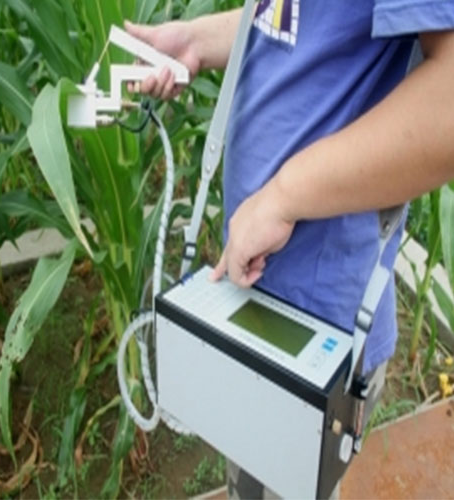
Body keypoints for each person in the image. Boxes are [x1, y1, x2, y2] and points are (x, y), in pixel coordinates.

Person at [126, 1, 454, 497]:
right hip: (262, 299)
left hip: (317, 320)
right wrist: (195, 40)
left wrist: (281, 198)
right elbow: (297, 23)